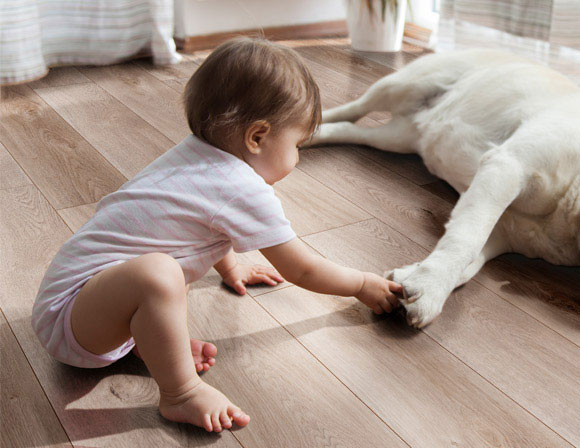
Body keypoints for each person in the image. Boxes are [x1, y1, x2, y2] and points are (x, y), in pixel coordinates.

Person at [31, 37, 402, 433]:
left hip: (77, 301)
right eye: (297, 144)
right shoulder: (242, 187)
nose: (297, 156)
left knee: (161, 272)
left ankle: (150, 336)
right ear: (257, 137)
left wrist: (231, 269)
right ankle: (182, 393)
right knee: (160, 274)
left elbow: (204, 227)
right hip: (71, 326)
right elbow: (304, 270)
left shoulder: (194, 154)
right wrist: (362, 284)